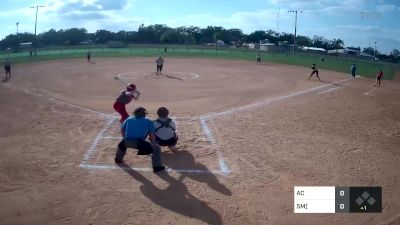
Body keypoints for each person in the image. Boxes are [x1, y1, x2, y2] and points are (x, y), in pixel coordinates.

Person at [115, 107, 165, 173]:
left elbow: (122, 130)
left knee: (121, 145)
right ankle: (157, 167)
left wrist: (124, 138)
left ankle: (118, 159)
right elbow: (151, 134)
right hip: (139, 143)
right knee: (157, 149)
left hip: (126, 141)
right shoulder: (148, 121)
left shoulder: (128, 119)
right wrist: (153, 143)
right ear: (144, 114)